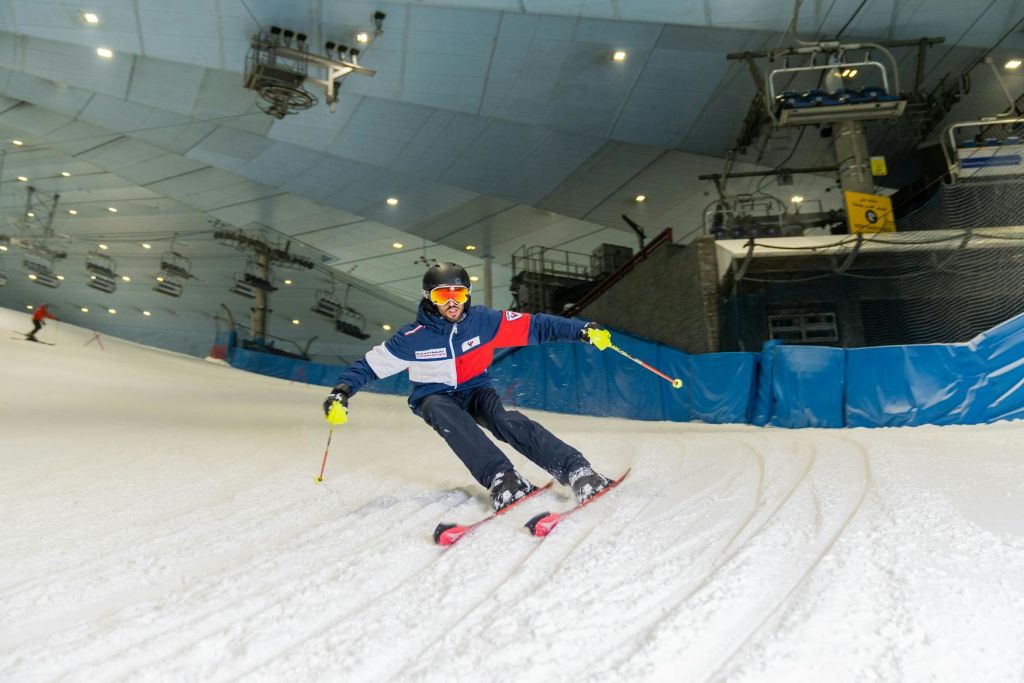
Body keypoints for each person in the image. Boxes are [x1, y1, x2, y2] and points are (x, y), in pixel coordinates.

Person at [323, 262, 615, 511]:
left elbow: (536, 326)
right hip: (433, 394)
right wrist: (342, 392)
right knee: (445, 413)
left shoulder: (484, 322)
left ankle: (576, 469)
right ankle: (503, 478)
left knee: (503, 420)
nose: (452, 303)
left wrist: (580, 331)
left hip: (476, 388)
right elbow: (370, 365)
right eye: (442, 295)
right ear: (429, 298)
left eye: (459, 294)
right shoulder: (412, 338)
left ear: (467, 295)